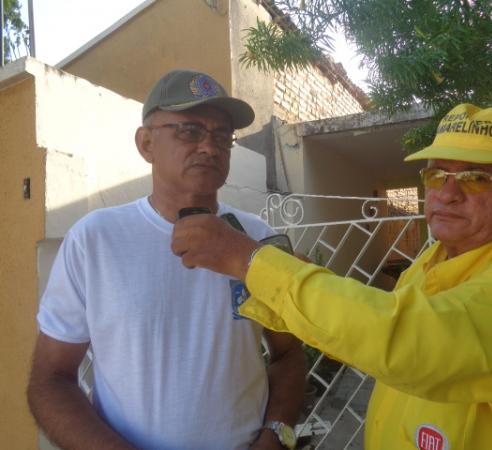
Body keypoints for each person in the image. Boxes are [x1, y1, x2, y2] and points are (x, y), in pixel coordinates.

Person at [169, 103, 492, 449]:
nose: (448, 192)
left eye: (478, 177)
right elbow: (366, 336)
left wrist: (251, 262)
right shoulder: (431, 263)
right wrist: (290, 277)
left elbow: (407, 341)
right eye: (437, 174)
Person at [27, 70, 306, 450]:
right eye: (189, 131)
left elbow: (288, 354)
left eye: (223, 137)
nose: (210, 147)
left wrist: (276, 436)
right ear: (146, 144)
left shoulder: (257, 238)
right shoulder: (95, 240)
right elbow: (51, 380)